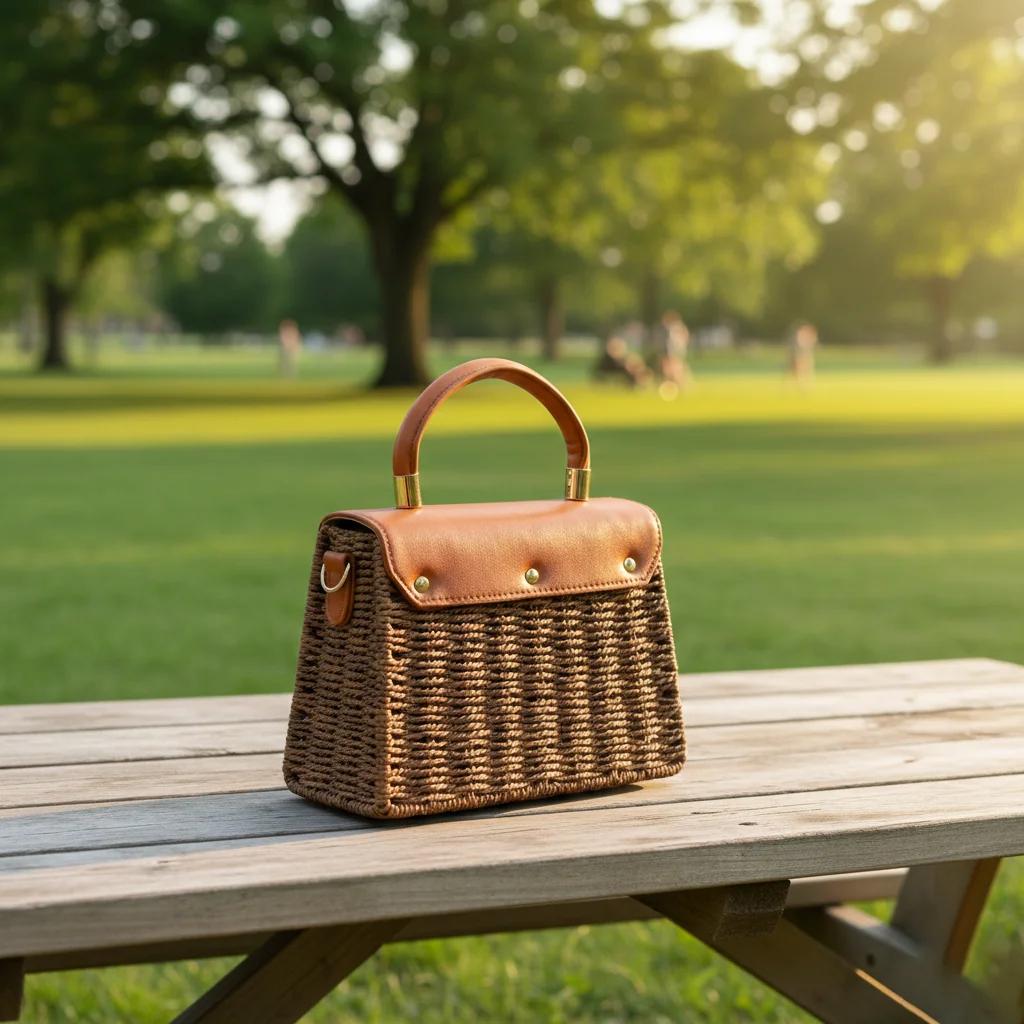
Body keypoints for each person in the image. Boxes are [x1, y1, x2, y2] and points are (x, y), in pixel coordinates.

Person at [649, 311, 692, 398]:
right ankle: (675, 386)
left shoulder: (673, 329)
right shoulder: (677, 328)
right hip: (672, 352)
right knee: (673, 369)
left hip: (672, 352)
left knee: (673, 370)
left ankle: (676, 385)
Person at [788, 321, 818, 385]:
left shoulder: (808, 335)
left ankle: (806, 383)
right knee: (798, 369)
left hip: (805, 354)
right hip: (800, 354)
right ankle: (799, 383)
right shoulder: (800, 335)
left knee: (807, 368)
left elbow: (812, 342)